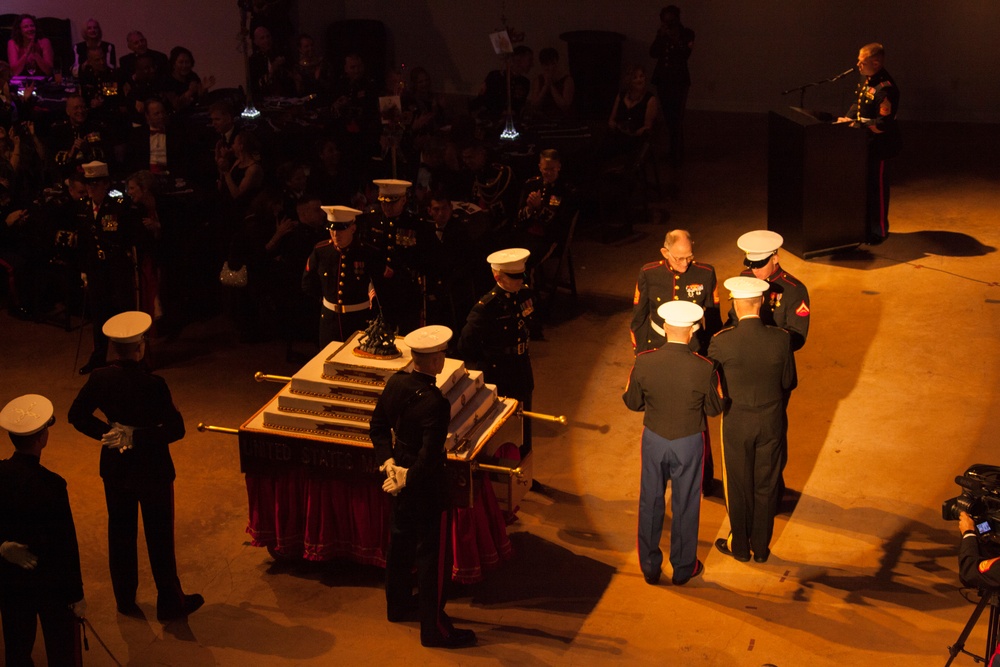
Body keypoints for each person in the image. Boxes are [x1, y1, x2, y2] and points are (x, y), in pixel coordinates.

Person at [68, 311, 204, 622]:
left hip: (116, 467)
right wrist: (137, 436)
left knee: (120, 533)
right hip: (153, 470)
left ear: (115, 347)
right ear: (140, 347)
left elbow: (76, 415)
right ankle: (170, 602)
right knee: (159, 537)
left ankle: (125, 599)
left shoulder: (99, 378)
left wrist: (110, 434)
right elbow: (175, 430)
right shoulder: (154, 384)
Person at [370, 325, 477, 649]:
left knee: (400, 542)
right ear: (431, 362)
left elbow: (377, 427)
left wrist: (388, 463)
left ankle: (397, 605)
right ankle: (434, 629)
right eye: (441, 354)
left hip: (399, 471)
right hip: (424, 484)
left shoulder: (396, 382)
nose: (444, 358)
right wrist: (410, 476)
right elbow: (430, 457)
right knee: (433, 557)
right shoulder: (435, 402)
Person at [623, 301, 723, 586]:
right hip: (689, 441)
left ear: (665, 327)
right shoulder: (704, 367)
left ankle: (650, 567)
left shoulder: (644, 360)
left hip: (654, 439)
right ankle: (683, 567)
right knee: (686, 503)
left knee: (650, 501)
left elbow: (632, 402)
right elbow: (715, 408)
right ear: (692, 331)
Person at [709, 277, 796, 564]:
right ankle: (760, 548)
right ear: (761, 303)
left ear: (735, 303)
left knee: (737, 484)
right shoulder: (782, 339)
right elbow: (788, 382)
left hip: (737, 420)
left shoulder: (722, 342)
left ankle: (740, 547)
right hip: (771, 419)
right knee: (766, 484)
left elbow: (713, 386)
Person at [0, 394, 86, 667]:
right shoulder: (52, 486)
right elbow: (65, 544)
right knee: (62, 648)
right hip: (51, 581)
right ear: (42, 438)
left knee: (17, 647)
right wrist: (76, 595)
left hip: (11, 578)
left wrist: (1, 546)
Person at [733, 230, 810, 498]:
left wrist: (764, 342)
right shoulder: (744, 281)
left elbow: (798, 337)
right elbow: (734, 320)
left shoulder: (793, 289)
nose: (753, 271)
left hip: (774, 373)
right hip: (743, 369)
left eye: (759, 264)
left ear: (775, 258)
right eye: (750, 264)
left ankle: (772, 488)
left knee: (772, 434)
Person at [458, 248, 535, 457]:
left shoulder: (525, 294)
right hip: (500, 373)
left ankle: (525, 470)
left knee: (524, 423)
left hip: (521, 367)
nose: (520, 280)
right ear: (497, 276)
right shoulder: (486, 307)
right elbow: (466, 343)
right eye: (514, 277)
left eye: (522, 275)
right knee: (501, 429)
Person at [75, 160, 143, 375]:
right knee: (99, 314)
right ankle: (99, 357)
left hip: (116, 266)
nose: (91, 188)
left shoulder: (118, 205)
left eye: (96, 183)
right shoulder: (84, 208)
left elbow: (128, 235)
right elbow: (85, 242)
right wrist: (84, 270)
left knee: (125, 311)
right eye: (88, 183)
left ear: (105, 184)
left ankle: (133, 357)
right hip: (96, 267)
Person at [837, 43, 901, 245]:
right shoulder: (868, 80)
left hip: (880, 146)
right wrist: (847, 118)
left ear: (875, 62)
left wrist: (857, 124)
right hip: (864, 144)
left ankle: (879, 230)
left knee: (878, 190)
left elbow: (882, 124)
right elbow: (859, 103)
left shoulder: (886, 89)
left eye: (861, 62)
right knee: (865, 187)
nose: (857, 65)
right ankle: (864, 227)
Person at [631, 229, 720, 355]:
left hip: (694, 347)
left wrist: (711, 353)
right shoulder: (649, 274)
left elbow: (713, 319)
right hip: (658, 345)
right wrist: (640, 353)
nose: (685, 263)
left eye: (689, 257)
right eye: (679, 258)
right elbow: (639, 318)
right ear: (665, 252)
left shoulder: (705, 273)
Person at [360, 178, 433, 334]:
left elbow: (425, 257)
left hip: (405, 288)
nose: (387, 207)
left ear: (403, 200)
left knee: (408, 331)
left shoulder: (416, 224)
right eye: (383, 202)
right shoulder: (371, 220)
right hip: (379, 287)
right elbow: (366, 251)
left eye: (392, 203)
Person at [302, 205, 380, 346]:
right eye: (332, 230)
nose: (336, 235)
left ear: (353, 228)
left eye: (341, 230)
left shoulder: (367, 253)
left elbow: (379, 285)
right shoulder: (321, 251)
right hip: (329, 321)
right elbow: (308, 283)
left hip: (358, 321)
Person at [649, 5, 695, 170]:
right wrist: (660, 37)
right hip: (663, 80)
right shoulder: (662, 33)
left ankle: (677, 153)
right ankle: (672, 150)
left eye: (670, 19)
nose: (667, 23)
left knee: (677, 118)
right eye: (664, 20)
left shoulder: (687, 33)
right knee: (668, 117)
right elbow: (653, 53)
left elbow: (685, 55)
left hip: (679, 81)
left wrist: (674, 39)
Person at [606, 65, 660, 159]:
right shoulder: (621, 95)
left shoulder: (650, 99)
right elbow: (612, 118)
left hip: (636, 140)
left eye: (641, 76)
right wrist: (613, 124)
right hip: (618, 135)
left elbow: (647, 127)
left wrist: (632, 133)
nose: (639, 80)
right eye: (635, 77)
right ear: (629, 80)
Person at [527, 48, 574, 120]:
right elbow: (534, 104)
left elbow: (565, 105)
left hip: (562, 118)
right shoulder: (538, 80)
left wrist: (551, 85)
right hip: (541, 118)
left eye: (552, 64)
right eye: (547, 65)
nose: (550, 68)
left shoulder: (567, 80)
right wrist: (545, 86)